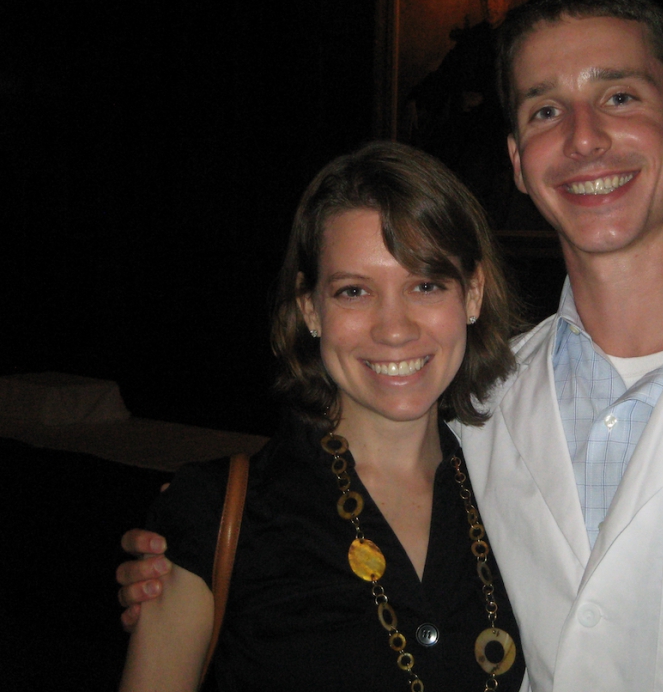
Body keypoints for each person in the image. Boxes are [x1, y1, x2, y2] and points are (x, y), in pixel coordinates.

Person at [120, 0, 663, 691]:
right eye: (544, 111)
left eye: (619, 94)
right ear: (514, 160)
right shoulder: (480, 412)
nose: (583, 138)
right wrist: (191, 563)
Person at [118, 141, 526, 691]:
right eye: (354, 291)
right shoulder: (215, 513)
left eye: (425, 285)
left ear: (472, 294)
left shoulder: (521, 491)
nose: (394, 328)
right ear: (311, 308)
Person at [405, 0, 515, 227]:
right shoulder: (473, 39)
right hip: (468, 132)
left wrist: (486, 100)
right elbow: (445, 74)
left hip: (500, 132)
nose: (490, 5)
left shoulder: (520, 35)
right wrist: (416, 98)